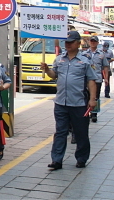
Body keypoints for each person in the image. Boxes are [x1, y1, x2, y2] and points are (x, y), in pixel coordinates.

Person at [40, 31, 97, 170]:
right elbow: (54, 75)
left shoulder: (85, 60)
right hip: (61, 102)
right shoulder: (59, 59)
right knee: (60, 132)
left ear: (78, 43)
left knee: (81, 132)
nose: (68, 44)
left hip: (78, 103)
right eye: (66, 42)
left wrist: (92, 99)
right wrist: (47, 70)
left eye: (71, 42)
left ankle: (81, 158)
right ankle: (57, 160)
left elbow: (91, 80)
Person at [82, 36, 109, 122]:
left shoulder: (101, 54)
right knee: (87, 96)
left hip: (97, 78)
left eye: (95, 41)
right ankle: (87, 112)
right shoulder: (84, 54)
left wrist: (106, 78)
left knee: (96, 96)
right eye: (91, 41)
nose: (93, 43)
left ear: (97, 43)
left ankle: (94, 114)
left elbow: (105, 67)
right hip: (87, 79)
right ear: (89, 42)